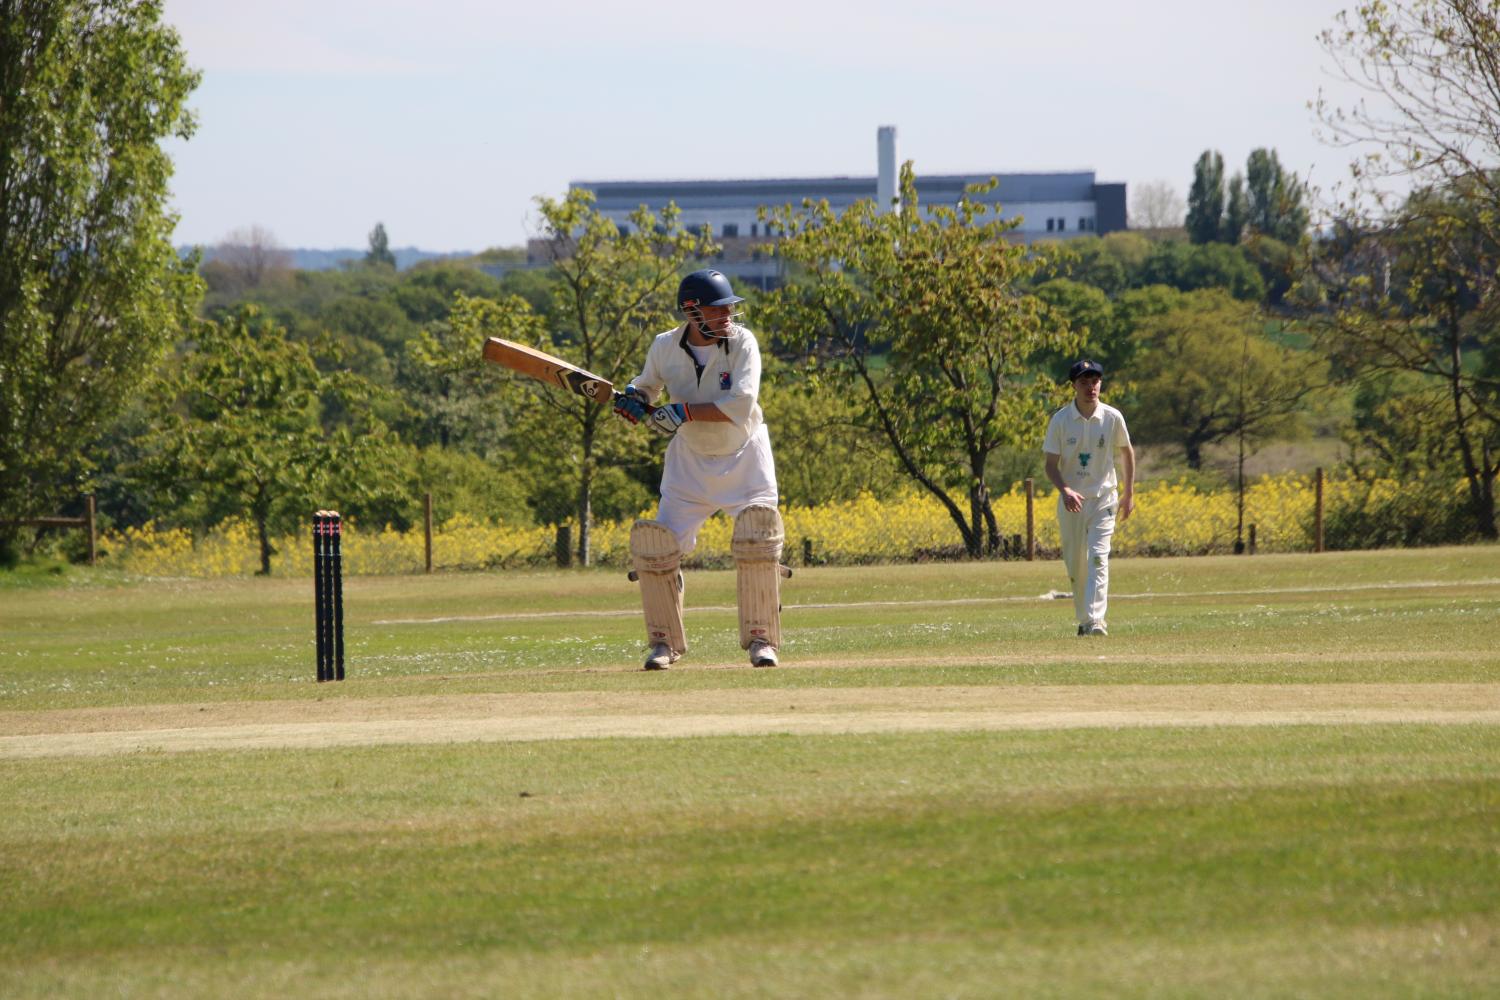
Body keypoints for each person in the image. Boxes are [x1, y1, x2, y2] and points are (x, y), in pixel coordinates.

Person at [613, 269, 785, 670]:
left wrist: (684, 410)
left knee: (758, 541)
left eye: (729, 308)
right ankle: (662, 643)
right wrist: (635, 398)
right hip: (689, 461)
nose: (727, 316)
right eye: (717, 309)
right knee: (656, 549)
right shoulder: (664, 346)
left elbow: (741, 405)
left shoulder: (743, 344)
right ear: (692, 311)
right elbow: (648, 385)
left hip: (745, 455)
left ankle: (762, 641)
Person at [1042, 359, 1135, 636]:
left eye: (1095, 381)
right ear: (1074, 386)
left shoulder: (1112, 417)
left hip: (1103, 498)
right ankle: (1084, 620)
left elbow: (1126, 452)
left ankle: (1096, 620)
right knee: (1076, 563)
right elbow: (1050, 465)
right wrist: (1065, 490)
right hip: (1072, 502)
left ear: (1100, 384)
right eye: (1084, 382)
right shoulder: (1060, 420)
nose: (1090, 387)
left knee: (1098, 557)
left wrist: (1128, 493)